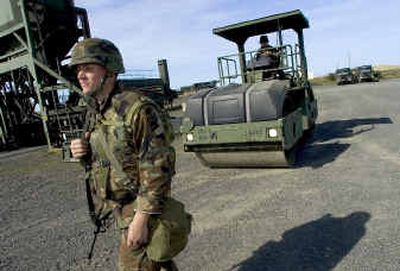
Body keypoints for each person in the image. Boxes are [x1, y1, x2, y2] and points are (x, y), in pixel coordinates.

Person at [69, 38, 178, 271]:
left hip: (140, 210)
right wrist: (83, 153)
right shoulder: (96, 110)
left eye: (88, 68)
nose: (80, 75)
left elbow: (159, 166)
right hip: (121, 210)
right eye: (78, 69)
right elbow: (105, 160)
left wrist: (141, 219)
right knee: (158, 261)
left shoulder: (137, 108)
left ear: (109, 72)